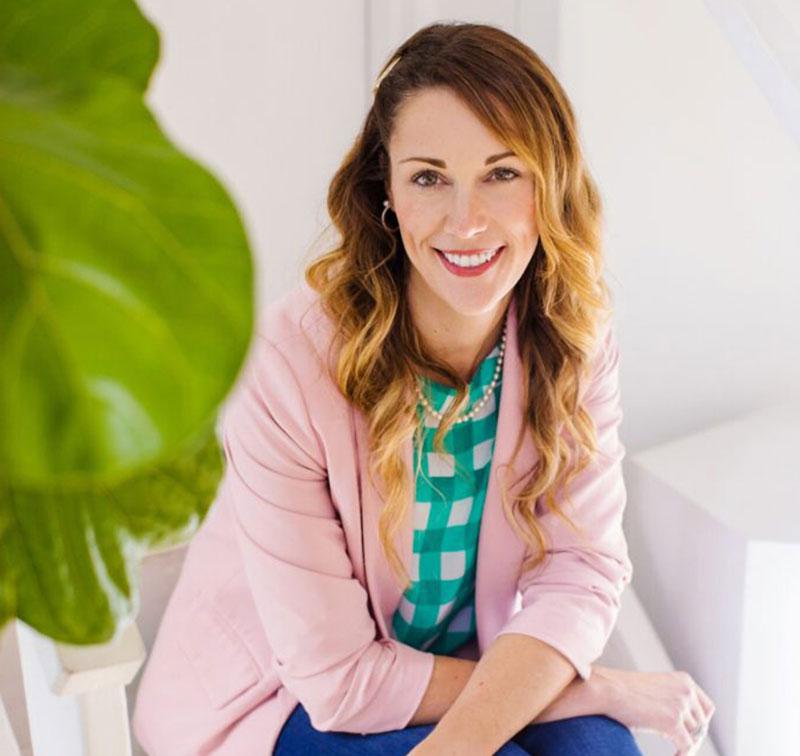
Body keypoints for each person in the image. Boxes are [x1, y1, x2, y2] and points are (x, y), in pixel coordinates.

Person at [132, 21, 715, 756]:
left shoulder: (573, 335)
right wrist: (592, 689)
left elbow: (582, 569)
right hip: (284, 696)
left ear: (551, 182)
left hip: (469, 665)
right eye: (429, 176)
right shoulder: (289, 362)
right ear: (387, 193)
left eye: (503, 173)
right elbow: (340, 679)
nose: (466, 221)